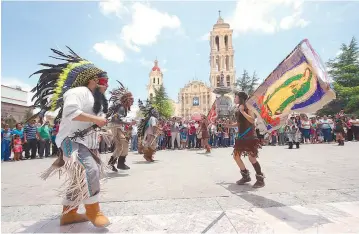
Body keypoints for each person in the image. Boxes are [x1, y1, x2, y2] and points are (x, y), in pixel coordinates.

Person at [30, 47, 111, 227]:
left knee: (78, 179)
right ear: (93, 81)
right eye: (104, 81)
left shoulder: (94, 99)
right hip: (72, 142)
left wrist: (98, 130)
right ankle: (93, 210)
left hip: (87, 144)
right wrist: (96, 119)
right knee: (90, 171)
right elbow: (71, 112)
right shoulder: (78, 92)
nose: (106, 86)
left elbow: (89, 120)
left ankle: (69, 214)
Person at [224, 91, 264, 188]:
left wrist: (242, 111)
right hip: (241, 137)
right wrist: (229, 125)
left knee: (252, 158)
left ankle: (260, 180)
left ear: (240, 98)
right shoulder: (239, 108)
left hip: (249, 136)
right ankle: (245, 176)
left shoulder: (247, 107)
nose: (234, 99)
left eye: (236, 97)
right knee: (236, 156)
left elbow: (251, 120)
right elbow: (239, 123)